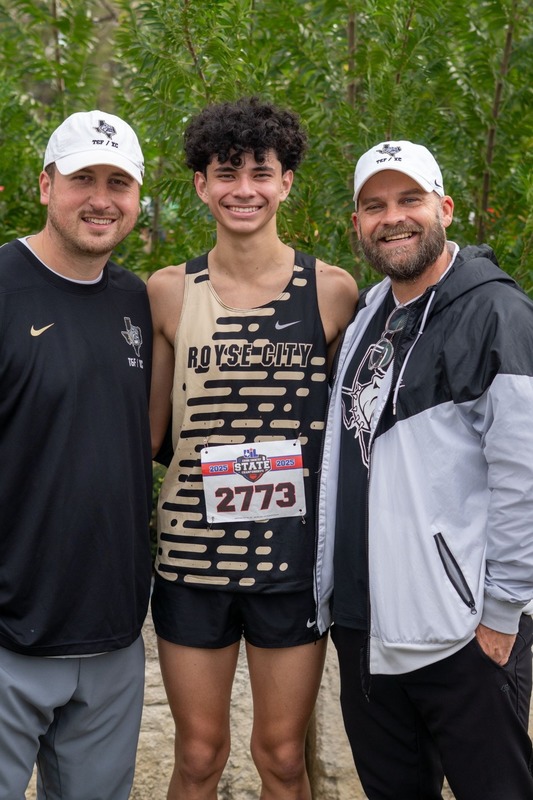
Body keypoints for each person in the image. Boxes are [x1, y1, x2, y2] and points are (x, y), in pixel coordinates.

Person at [148, 96, 358, 799]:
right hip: (190, 563)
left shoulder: (331, 292)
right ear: (201, 184)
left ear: (286, 182)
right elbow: (148, 438)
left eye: (260, 173)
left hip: (291, 563)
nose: (244, 189)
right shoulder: (169, 293)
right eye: (225, 172)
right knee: (199, 757)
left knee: (281, 759)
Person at [315, 139, 533, 799]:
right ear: (356, 224)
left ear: (443, 205)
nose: (392, 217)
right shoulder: (366, 316)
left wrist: (499, 616)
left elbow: (523, 480)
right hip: (365, 629)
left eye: (408, 199)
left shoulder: (496, 314)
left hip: (460, 632)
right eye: (373, 205)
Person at [0, 110, 153, 799]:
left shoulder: (136, 300)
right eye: (82, 178)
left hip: (113, 638)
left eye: (117, 181)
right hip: (8, 638)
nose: (100, 197)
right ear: (44, 185)